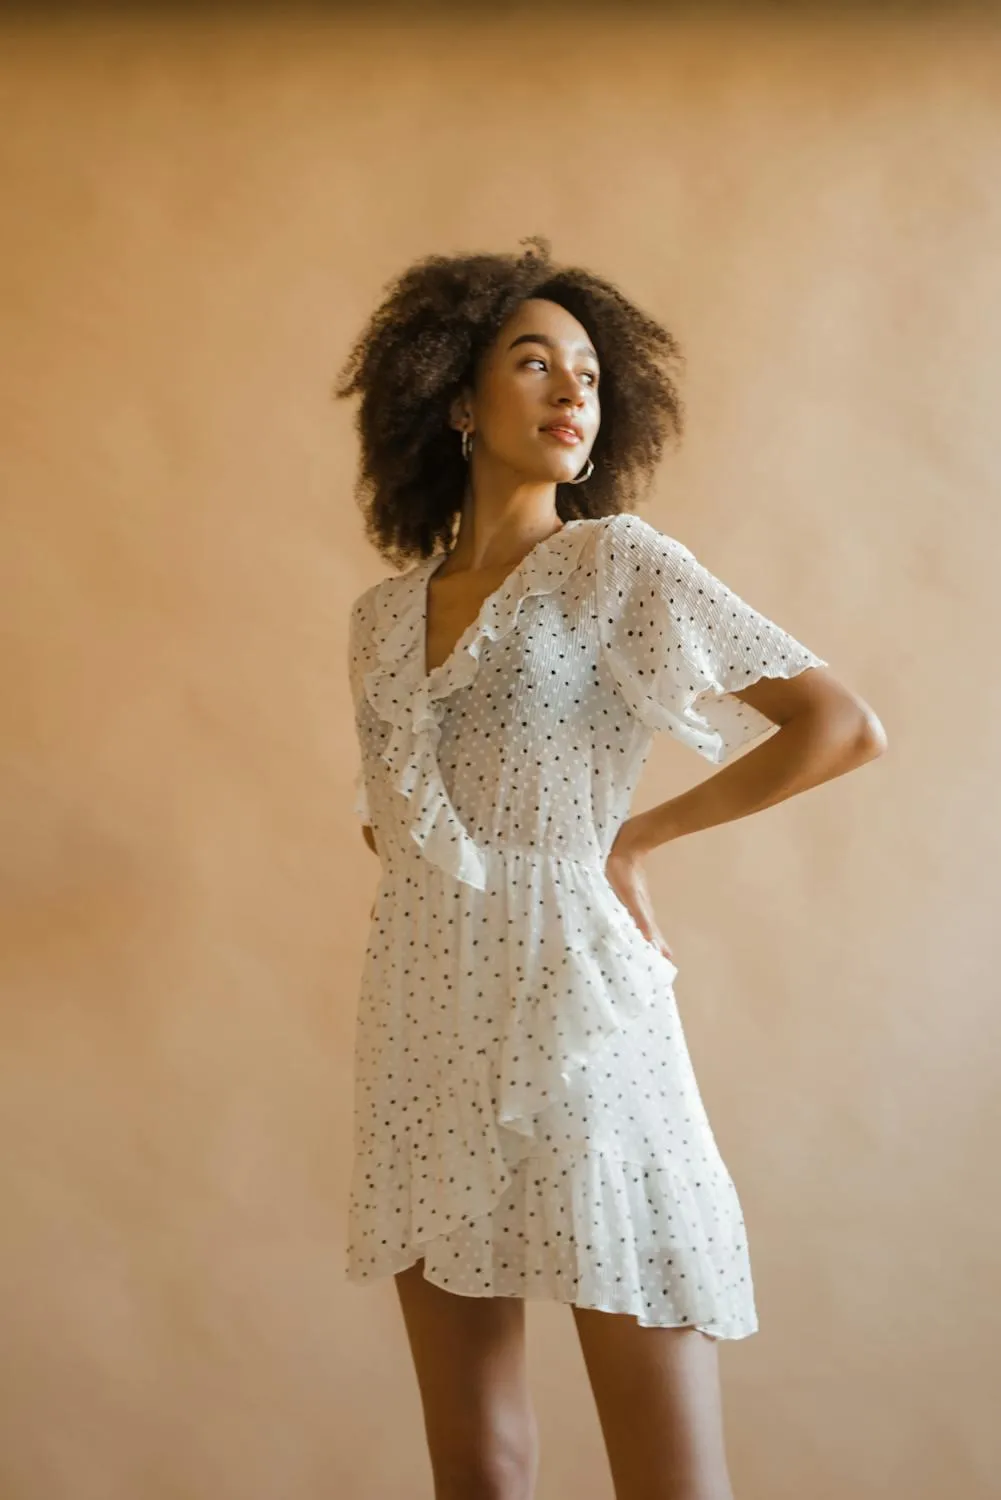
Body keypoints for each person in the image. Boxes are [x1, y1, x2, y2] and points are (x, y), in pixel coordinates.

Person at [334, 235, 887, 1500]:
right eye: (532, 362)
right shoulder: (375, 621)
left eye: (586, 370)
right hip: (423, 1021)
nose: (570, 390)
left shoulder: (614, 564)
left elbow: (838, 724)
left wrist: (634, 837)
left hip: (576, 1007)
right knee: (476, 1466)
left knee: (667, 1475)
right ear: (455, 400)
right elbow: (395, 820)